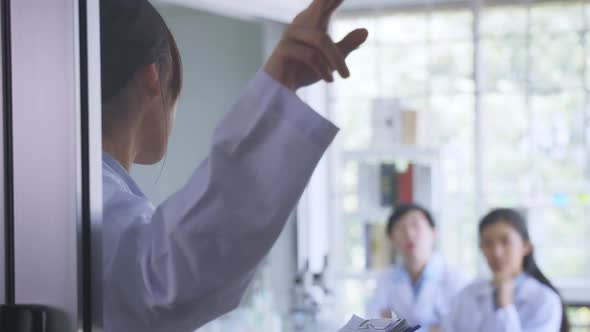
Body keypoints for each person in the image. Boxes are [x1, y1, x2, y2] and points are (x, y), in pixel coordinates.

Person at [99, 0, 368, 331]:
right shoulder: (91, 198)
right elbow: (164, 284)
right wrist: (279, 85)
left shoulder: (80, 194)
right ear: (153, 78)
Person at [441, 208, 569, 332]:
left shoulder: (545, 300)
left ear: (526, 246)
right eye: (488, 243)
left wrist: (505, 303)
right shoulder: (467, 294)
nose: (496, 252)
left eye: (505, 241)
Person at [367, 204, 468, 332]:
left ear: (432, 232)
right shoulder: (385, 281)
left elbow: (462, 327)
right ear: (391, 239)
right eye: (401, 228)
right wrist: (432, 328)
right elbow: (373, 325)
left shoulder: (456, 280)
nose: (409, 234)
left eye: (416, 225)